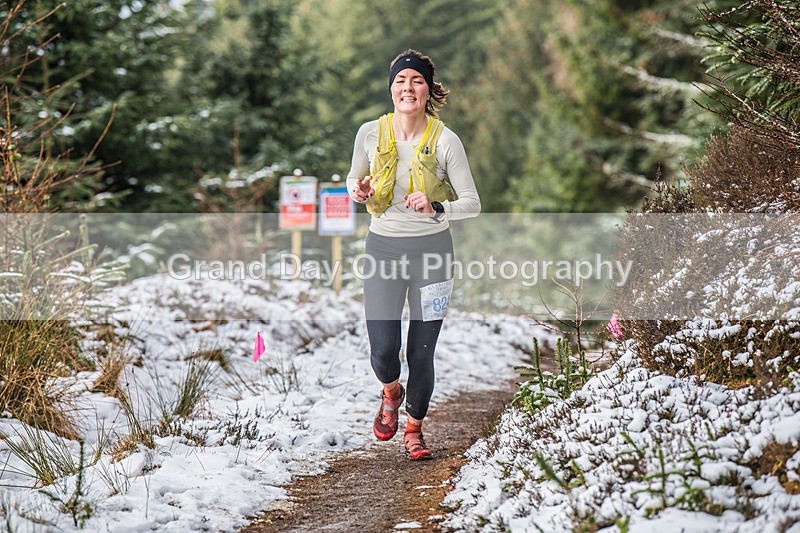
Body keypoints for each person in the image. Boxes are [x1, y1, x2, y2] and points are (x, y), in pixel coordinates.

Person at [346, 49, 481, 460]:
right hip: (383, 247)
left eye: (417, 81)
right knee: (384, 349)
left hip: (433, 252)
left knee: (421, 350)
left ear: (428, 91)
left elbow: (473, 203)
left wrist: (439, 207)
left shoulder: (445, 141)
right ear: (391, 90)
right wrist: (359, 190)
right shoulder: (370, 133)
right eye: (401, 81)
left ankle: (415, 429)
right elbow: (353, 178)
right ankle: (391, 391)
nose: (408, 87)